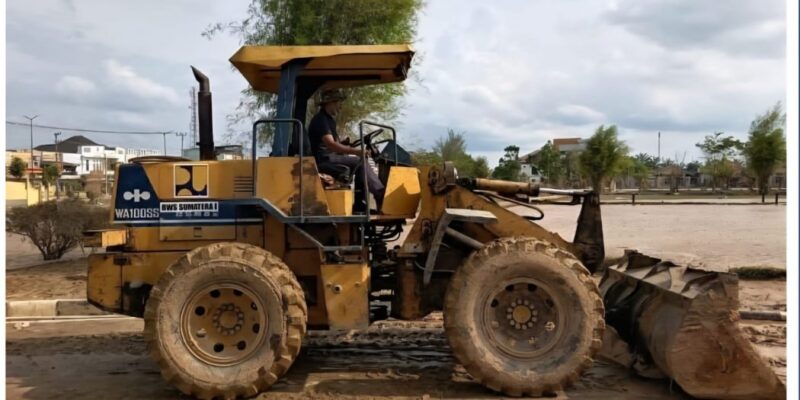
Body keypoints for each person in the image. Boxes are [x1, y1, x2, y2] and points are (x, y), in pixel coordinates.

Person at [308, 89, 385, 209]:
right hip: (324, 159)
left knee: (359, 162)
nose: (340, 106)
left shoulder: (328, 120)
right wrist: (356, 151)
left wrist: (345, 145)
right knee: (360, 162)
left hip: (330, 156)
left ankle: (360, 204)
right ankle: (380, 194)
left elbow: (334, 144)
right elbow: (331, 145)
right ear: (331, 102)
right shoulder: (321, 120)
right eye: (339, 102)